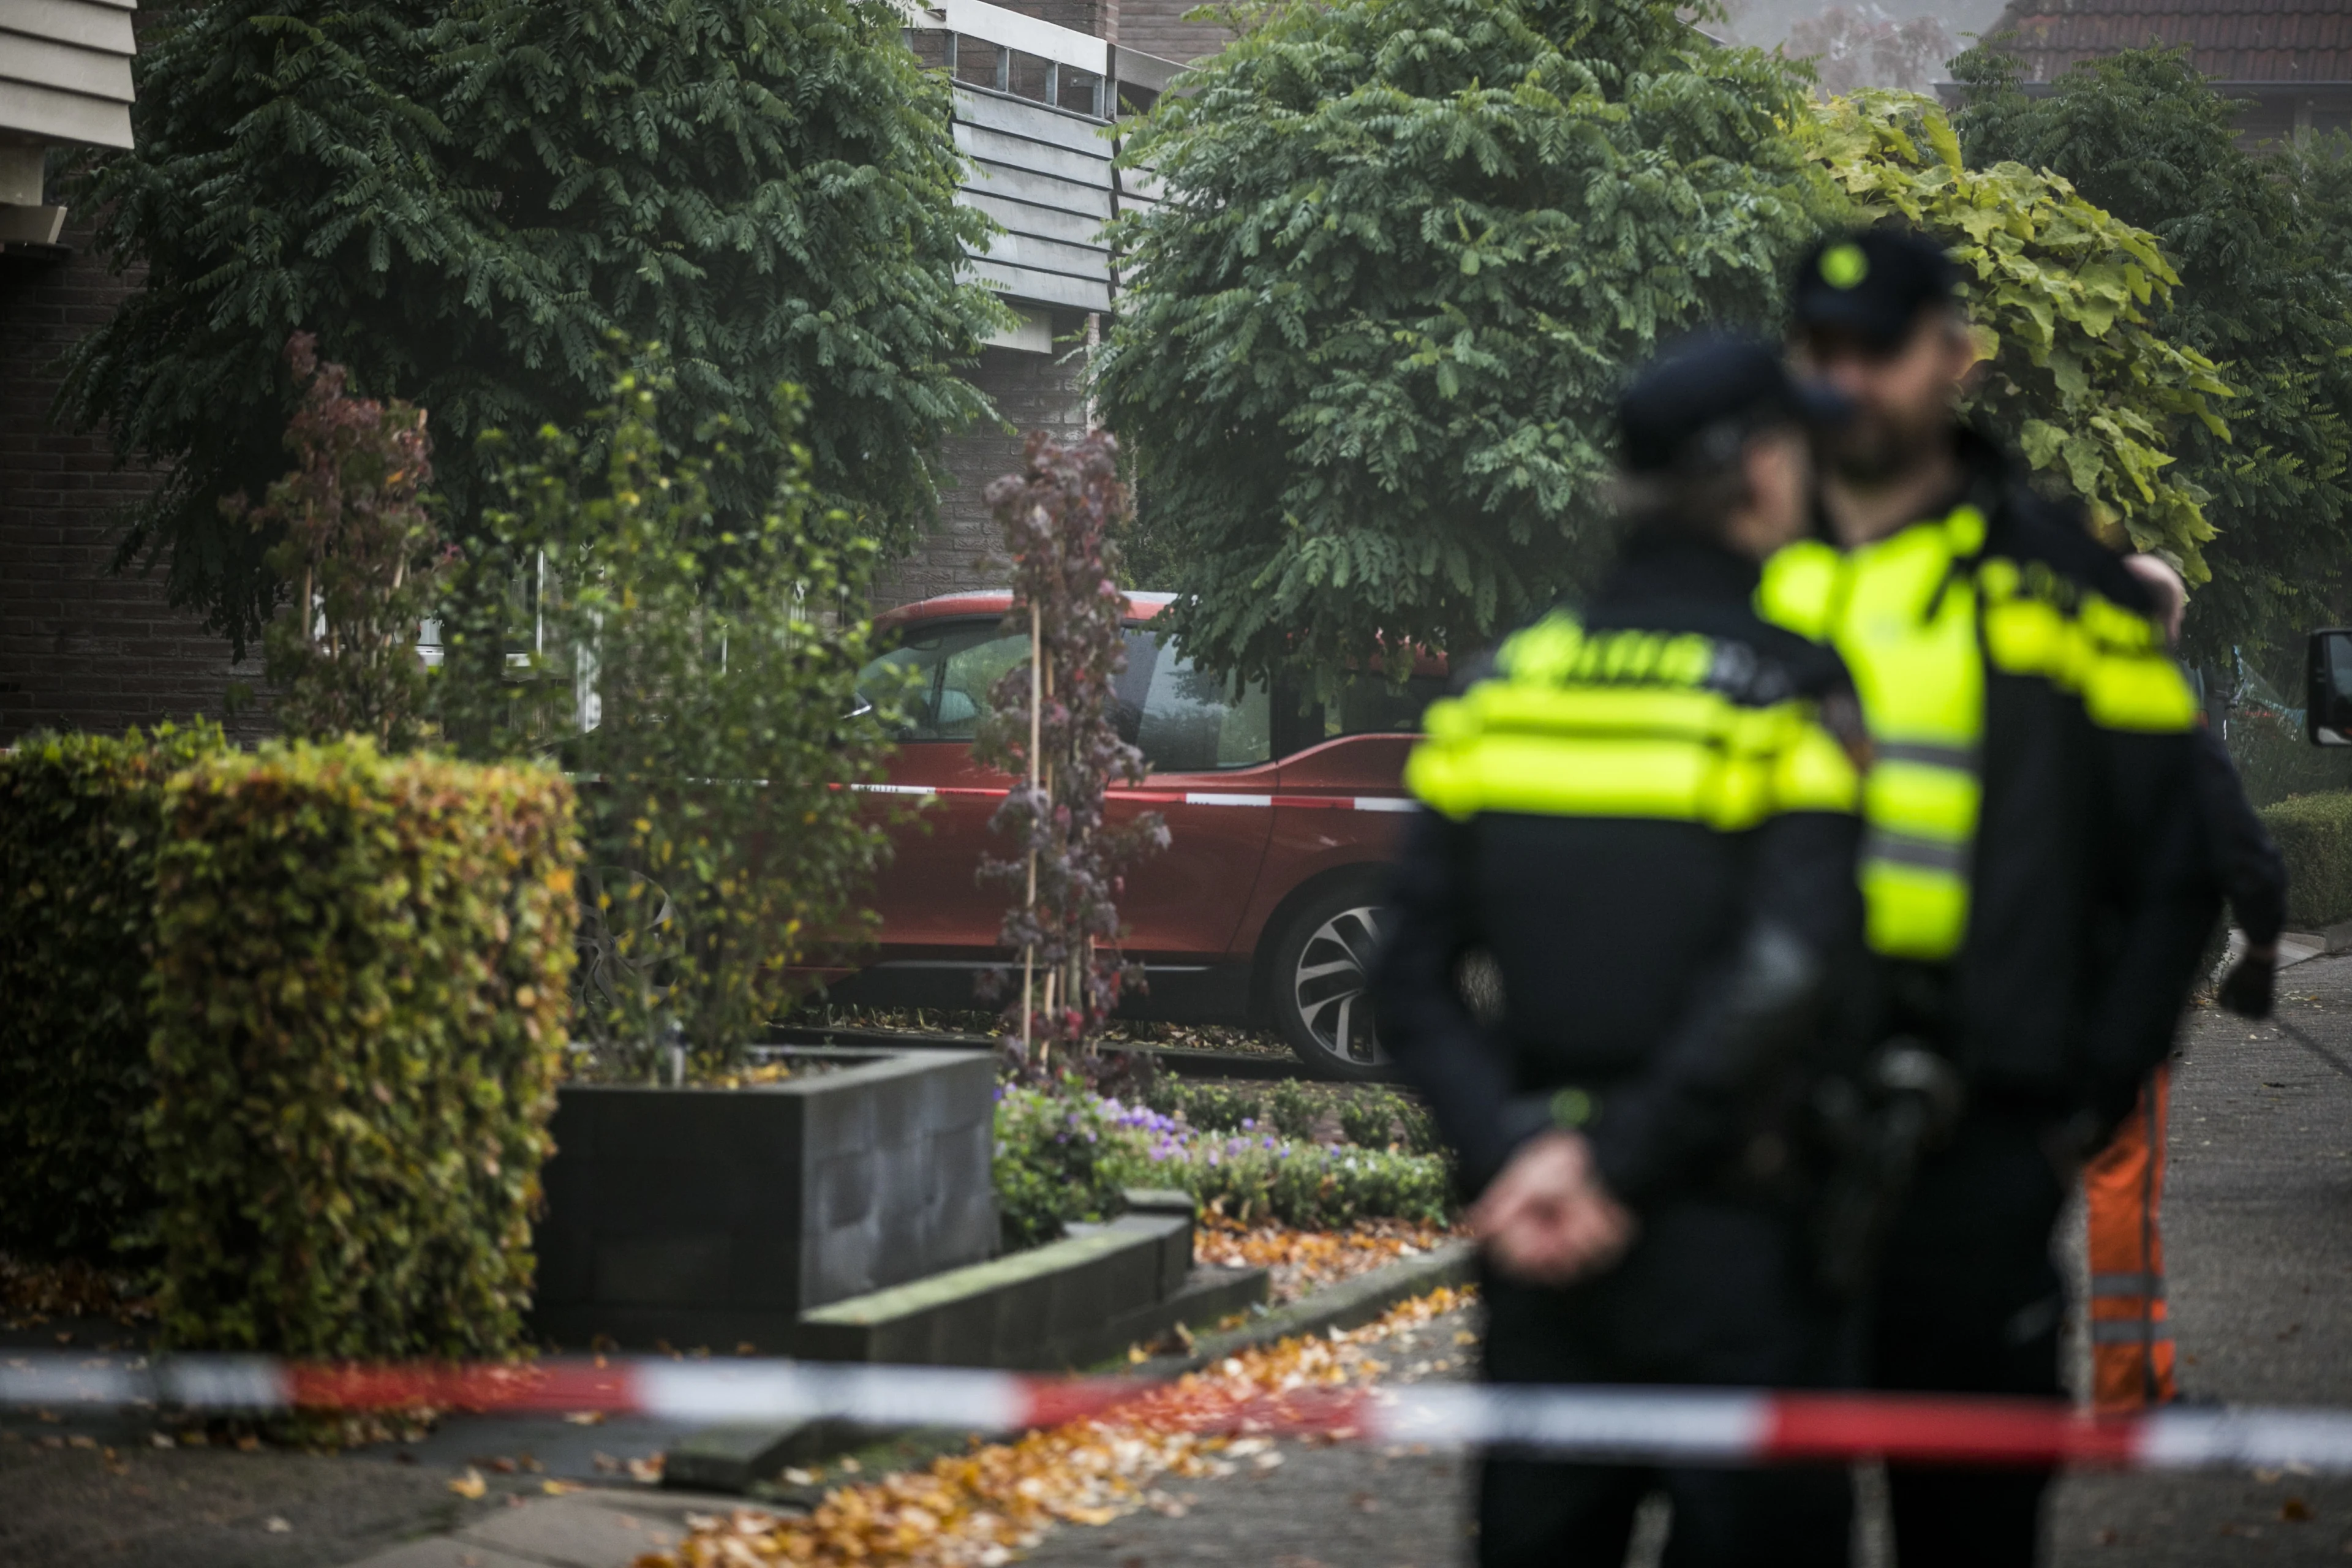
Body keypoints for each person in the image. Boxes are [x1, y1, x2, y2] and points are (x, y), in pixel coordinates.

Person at [1371, 333, 1868, 1567]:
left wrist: (1522, 1154)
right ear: (1760, 470)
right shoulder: (1785, 686)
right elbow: (1789, 969)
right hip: (1732, 1241)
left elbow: (1405, 974)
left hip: (1541, 1247)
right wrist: (1618, 1166)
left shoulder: (1504, 687)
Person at [1763, 227, 2217, 1566]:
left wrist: (2081, 1096)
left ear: (1953, 358)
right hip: (1777, 1136)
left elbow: (2176, 855)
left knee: (1968, 1522)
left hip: (1981, 1139)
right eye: (1821, 351)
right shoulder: (1754, 574)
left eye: (1879, 351)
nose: (1848, 380)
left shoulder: (2061, 584)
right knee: (1765, 1518)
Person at [2082, 553, 2287, 1410]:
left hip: (2015, 997)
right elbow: (2251, 862)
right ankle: (2130, 1387)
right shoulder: (2173, 727)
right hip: (2124, 1013)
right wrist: (2259, 960)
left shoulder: (2039, 716)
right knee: (2120, 1184)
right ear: (2168, 626)